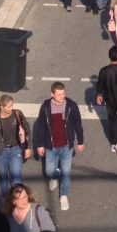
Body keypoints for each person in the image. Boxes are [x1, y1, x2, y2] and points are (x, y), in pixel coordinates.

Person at [32, 83, 85, 212]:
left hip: (67, 146)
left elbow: (78, 124)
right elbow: (41, 126)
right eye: (59, 94)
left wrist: (80, 141)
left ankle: (64, 195)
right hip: (51, 146)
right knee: (50, 170)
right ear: (52, 95)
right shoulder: (45, 107)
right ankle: (54, 177)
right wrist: (39, 145)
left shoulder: (71, 106)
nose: (62, 96)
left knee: (66, 172)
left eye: (63, 93)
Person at [0, 95, 32, 201]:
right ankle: (7, 205)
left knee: (16, 180)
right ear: (1, 107)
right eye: (8, 107)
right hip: (0, 153)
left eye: (12, 105)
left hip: (16, 150)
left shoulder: (17, 114)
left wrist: (28, 147)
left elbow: (27, 130)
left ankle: (18, 203)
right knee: (4, 180)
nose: (11, 109)